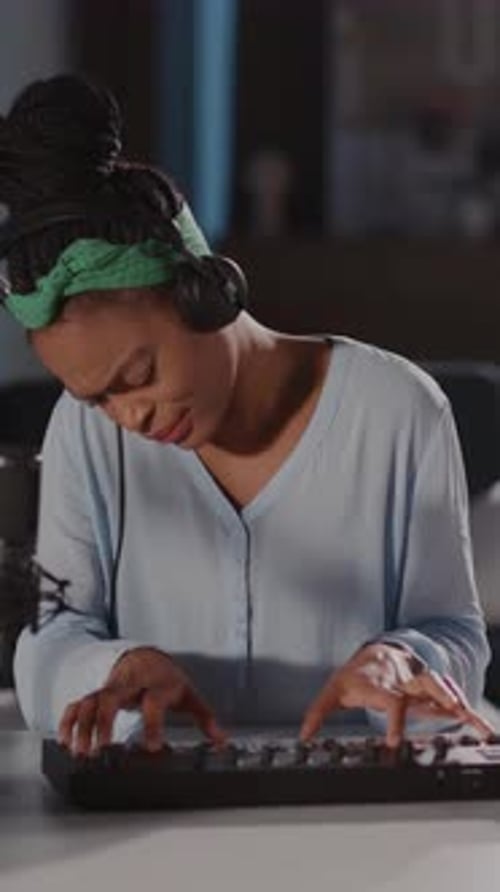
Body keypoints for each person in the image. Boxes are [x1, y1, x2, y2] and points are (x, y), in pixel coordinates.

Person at [0, 75, 493, 758]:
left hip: (360, 813)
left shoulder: (397, 411)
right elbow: (52, 634)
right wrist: (111, 668)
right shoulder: (86, 433)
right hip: (153, 814)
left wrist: (404, 657)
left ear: (202, 291)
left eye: (138, 376)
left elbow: (455, 630)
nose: (130, 415)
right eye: (99, 397)